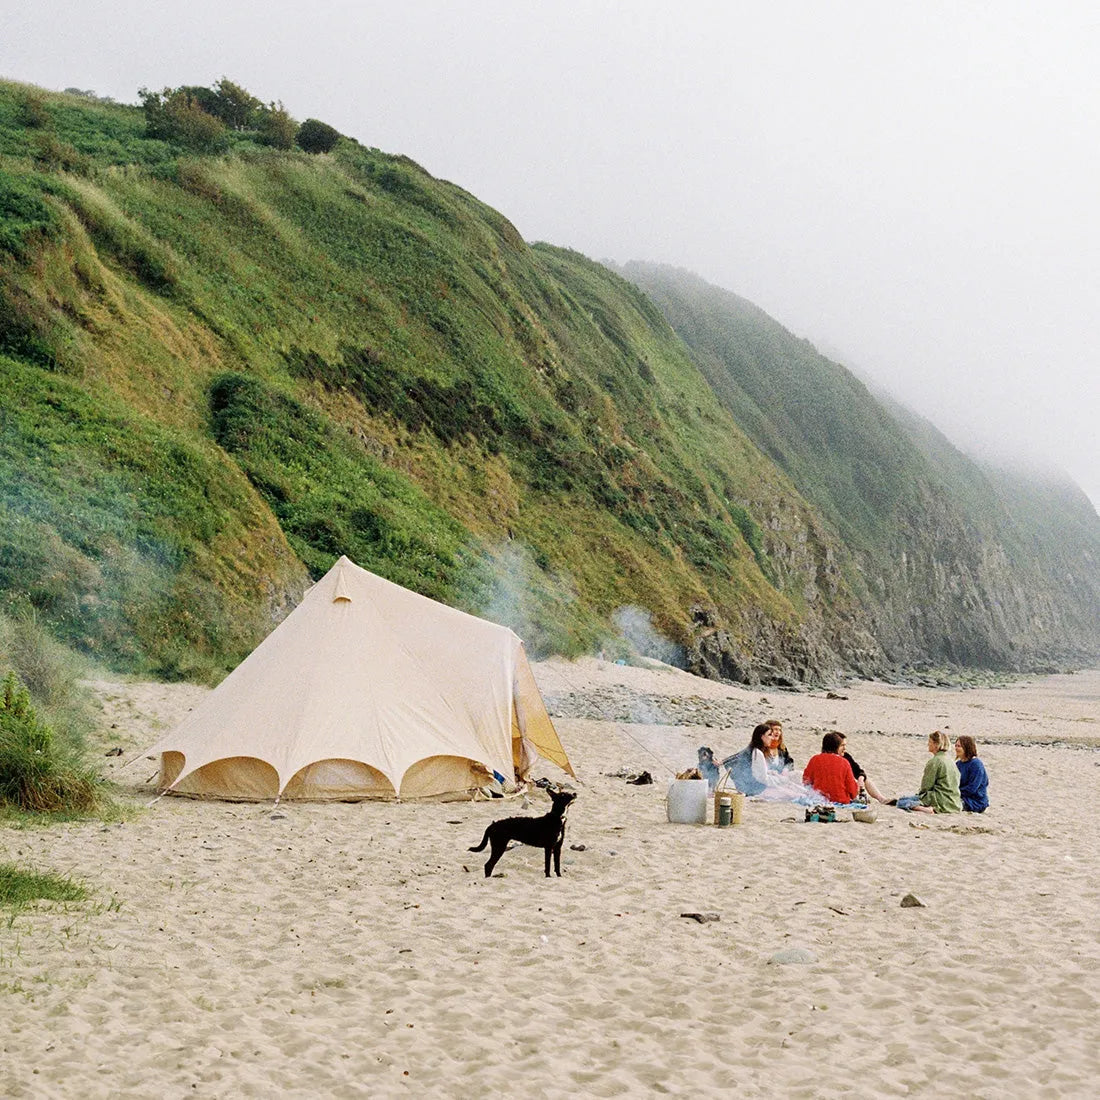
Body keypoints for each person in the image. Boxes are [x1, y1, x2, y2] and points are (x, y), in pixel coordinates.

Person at [722, 724, 807, 800]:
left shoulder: (755, 750)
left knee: (795, 787)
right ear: (762, 737)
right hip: (758, 790)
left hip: (759, 785)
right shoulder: (757, 753)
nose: (772, 737)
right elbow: (763, 779)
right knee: (796, 795)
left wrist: (775, 774)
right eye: (769, 735)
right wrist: (780, 780)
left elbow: (759, 772)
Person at [892, 730, 962, 813]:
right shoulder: (951, 761)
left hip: (939, 799)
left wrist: (921, 796)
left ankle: (926, 809)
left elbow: (926, 786)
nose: (928, 744)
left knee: (902, 801)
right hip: (954, 800)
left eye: (930, 742)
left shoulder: (935, 761)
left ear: (936, 745)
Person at [802, 731, 860, 804]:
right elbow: (852, 790)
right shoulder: (844, 763)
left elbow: (806, 781)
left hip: (819, 799)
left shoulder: (815, 759)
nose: (845, 748)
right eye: (842, 745)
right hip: (841, 800)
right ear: (835, 746)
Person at [835, 731, 889, 803]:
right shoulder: (825, 759)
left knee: (865, 779)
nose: (845, 748)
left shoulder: (846, 756)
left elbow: (858, 770)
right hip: (838, 789)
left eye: (845, 745)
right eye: (842, 745)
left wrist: (861, 778)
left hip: (848, 788)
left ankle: (881, 799)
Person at [955, 735, 989, 813]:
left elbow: (972, 788)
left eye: (959, 746)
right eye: (956, 746)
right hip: (961, 796)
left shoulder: (976, 764)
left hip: (975, 802)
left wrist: (955, 792)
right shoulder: (958, 764)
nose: (956, 748)